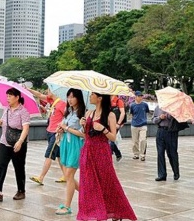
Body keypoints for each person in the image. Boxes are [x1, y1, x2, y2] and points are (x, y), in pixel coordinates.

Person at [77, 92, 137, 221]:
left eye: (93, 94)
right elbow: (86, 135)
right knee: (88, 183)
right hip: (87, 151)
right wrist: (83, 126)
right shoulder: (88, 113)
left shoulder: (110, 115)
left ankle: (116, 211)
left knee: (107, 182)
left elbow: (113, 137)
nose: (90, 96)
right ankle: (93, 212)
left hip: (101, 152)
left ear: (100, 98)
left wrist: (103, 129)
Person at [0, 87, 31, 202]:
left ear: (17, 97)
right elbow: (3, 123)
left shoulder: (23, 111)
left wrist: (20, 141)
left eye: (10, 96)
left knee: (19, 167)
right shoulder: (6, 110)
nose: (8, 98)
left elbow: (26, 128)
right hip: (4, 142)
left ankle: (21, 191)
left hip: (18, 143)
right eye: (7, 96)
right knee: (1, 166)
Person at [55, 89, 86, 216]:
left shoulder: (83, 113)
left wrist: (66, 128)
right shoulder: (69, 112)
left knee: (68, 175)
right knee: (69, 177)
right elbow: (64, 125)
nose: (70, 99)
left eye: (73, 97)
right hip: (65, 143)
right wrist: (61, 129)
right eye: (68, 97)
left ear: (78, 98)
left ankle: (67, 206)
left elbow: (83, 134)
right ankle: (88, 194)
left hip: (76, 144)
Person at [27, 87, 67, 185]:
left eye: (48, 90)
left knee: (49, 154)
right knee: (59, 156)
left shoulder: (61, 103)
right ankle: (66, 175)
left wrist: (62, 127)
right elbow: (39, 95)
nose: (46, 91)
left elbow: (67, 117)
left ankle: (41, 177)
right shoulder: (51, 100)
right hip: (50, 131)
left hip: (56, 133)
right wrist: (29, 90)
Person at [152, 106, 180, 181]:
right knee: (160, 153)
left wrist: (167, 115)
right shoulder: (158, 107)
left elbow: (177, 118)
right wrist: (159, 118)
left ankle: (176, 172)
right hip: (160, 131)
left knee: (172, 153)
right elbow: (154, 120)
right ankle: (162, 175)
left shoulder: (173, 107)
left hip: (171, 132)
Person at [129, 91, 149, 161]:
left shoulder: (145, 105)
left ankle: (142, 155)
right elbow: (131, 114)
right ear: (135, 97)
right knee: (135, 141)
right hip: (134, 125)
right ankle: (136, 154)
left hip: (143, 125)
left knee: (143, 140)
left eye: (141, 96)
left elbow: (147, 112)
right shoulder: (132, 105)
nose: (140, 97)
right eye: (139, 96)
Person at [110, 95, 126, 162]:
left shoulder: (118, 101)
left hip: (115, 124)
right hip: (107, 123)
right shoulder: (106, 100)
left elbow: (123, 113)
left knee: (109, 140)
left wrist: (119, 123)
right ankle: (117, 153)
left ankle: (114, 153)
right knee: (109, 139)